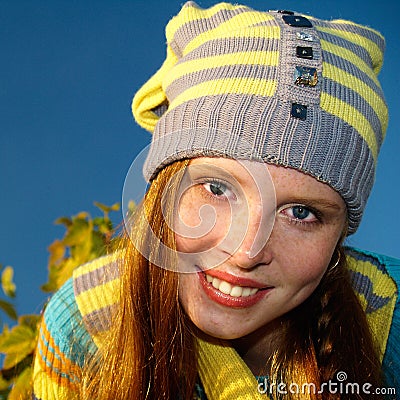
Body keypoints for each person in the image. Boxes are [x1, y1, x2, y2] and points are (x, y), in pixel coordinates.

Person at [32, 2, 399, 399]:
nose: (246, 252)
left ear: (340, 234)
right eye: (218, 189)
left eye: (301, 212)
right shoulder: (85, 328)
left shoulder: (389, 319)